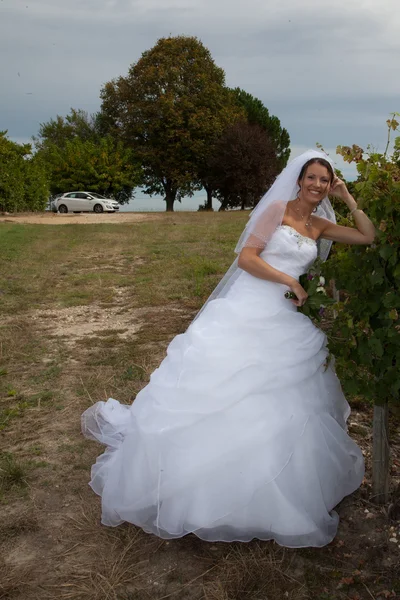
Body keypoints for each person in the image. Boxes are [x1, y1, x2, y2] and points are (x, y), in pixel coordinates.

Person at [82, 150, 375, 548]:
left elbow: (367, 236)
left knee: (283, 396)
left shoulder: (320, 224)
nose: (317, 185)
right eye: (312, 177)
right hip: (249, 305)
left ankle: (278, 485)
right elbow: (247, 258)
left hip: (282, 318)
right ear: (299, 179)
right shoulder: (277, 210)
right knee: (222, 386)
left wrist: (348, 199)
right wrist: (289, 280)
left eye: (325, 180)